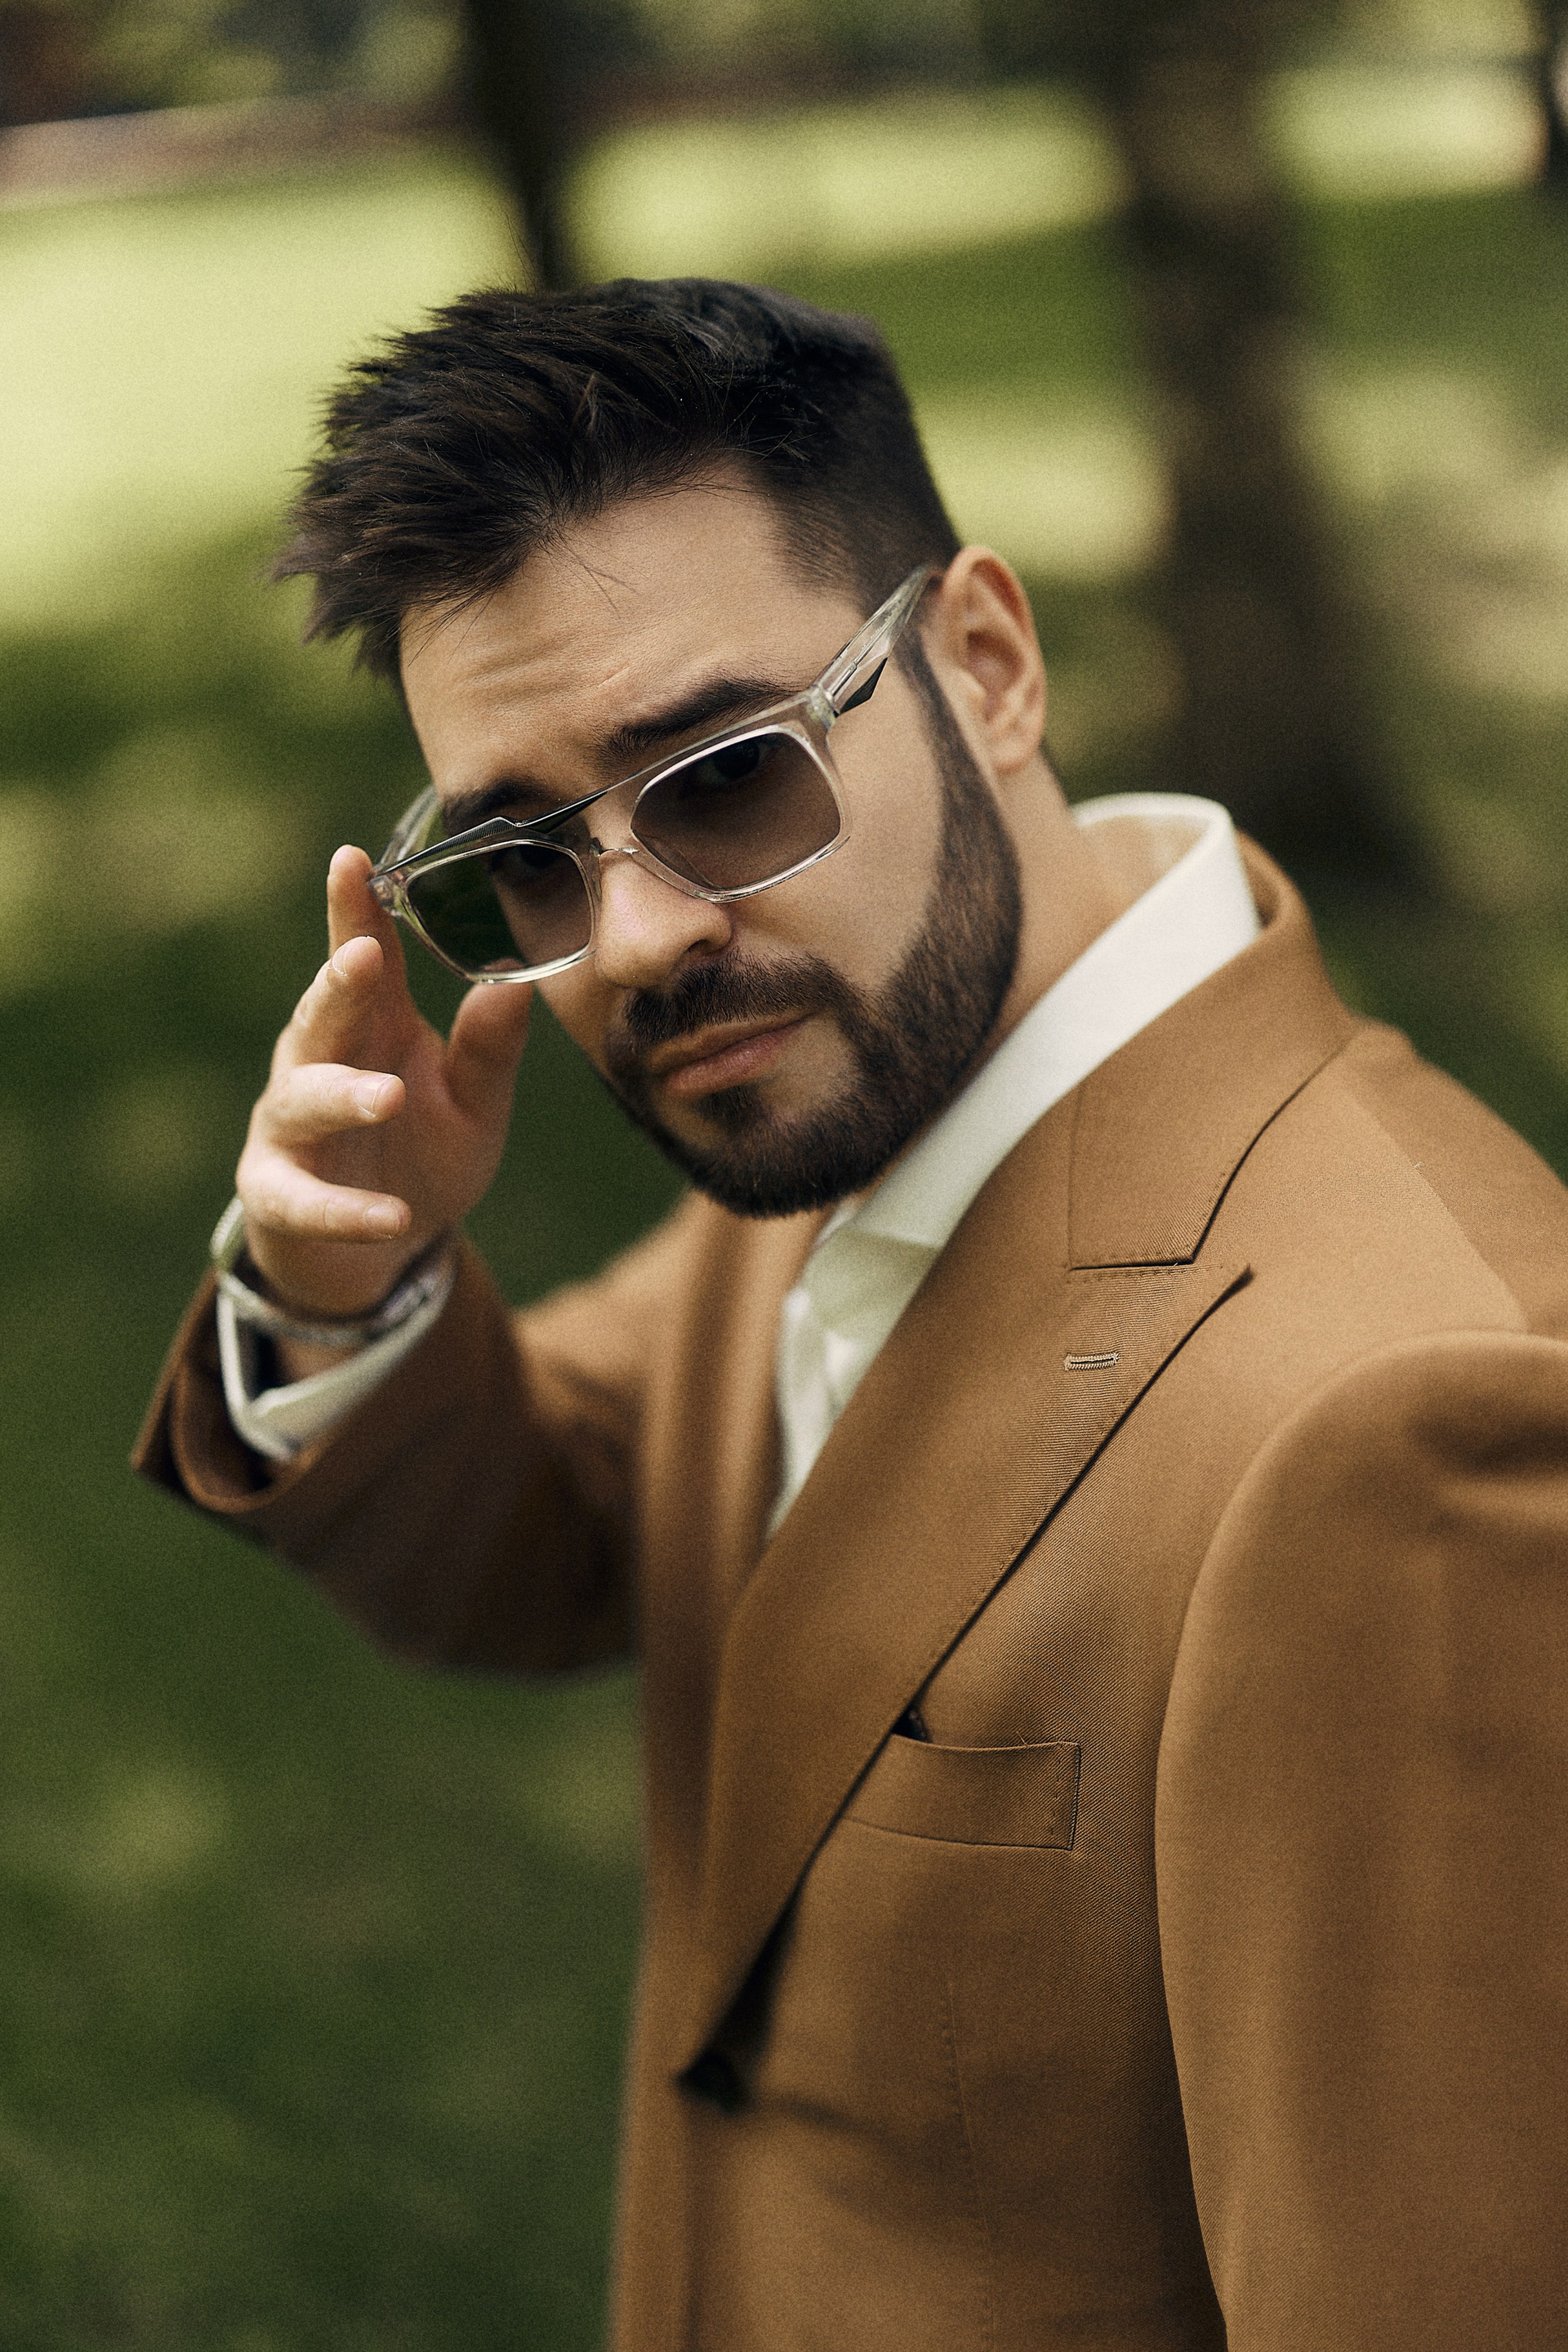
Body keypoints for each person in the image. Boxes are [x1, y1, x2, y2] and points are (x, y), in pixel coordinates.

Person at [136, 279, 1568, 2350]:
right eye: (525, 862)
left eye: (725, 774)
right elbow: (575, 1525)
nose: (637, 940)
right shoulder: (855, 1081)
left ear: (987, 664)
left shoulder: (1411, 1435)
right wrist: (340, 1284)